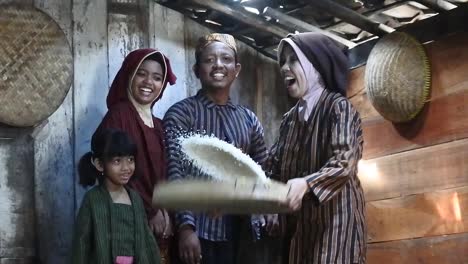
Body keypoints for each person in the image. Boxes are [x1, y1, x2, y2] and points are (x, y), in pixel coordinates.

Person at [163, 33, 269, 264]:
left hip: (241, 233)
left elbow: (263, 169)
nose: (218, 65)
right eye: (209, 60)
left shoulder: (248, 119)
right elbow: (176, 172)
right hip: (199, 233)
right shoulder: (181, 114)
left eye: (226, 59)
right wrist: (186, 228)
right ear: (196, 70)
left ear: (237, 69)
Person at [267, 32, 367, 264]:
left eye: (293, 60)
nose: (284, 67)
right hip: (302, 232)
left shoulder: (338, 108)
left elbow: (344, 162)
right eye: (282, 61)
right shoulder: (289, 120)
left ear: (315, 65)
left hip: (337, 228)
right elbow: (273, 167)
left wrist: (307, 184)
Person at [96, 48, 177, 263]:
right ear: (129, 75)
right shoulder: (119, 116)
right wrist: (149, 211)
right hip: (127, 223)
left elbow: (164, 175)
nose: (148, 82)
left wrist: (166, 212)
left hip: (161, 224)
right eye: (141, 73)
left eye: (157, 77)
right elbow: (112, 173)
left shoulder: (159, 126)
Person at [72, 128, 160, 264]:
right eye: (117, 161)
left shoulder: (135, 198)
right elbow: (81, 244)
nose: (126, 167)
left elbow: (147, 240)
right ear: (100, 164)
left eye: (130, 159)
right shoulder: (93, 199)